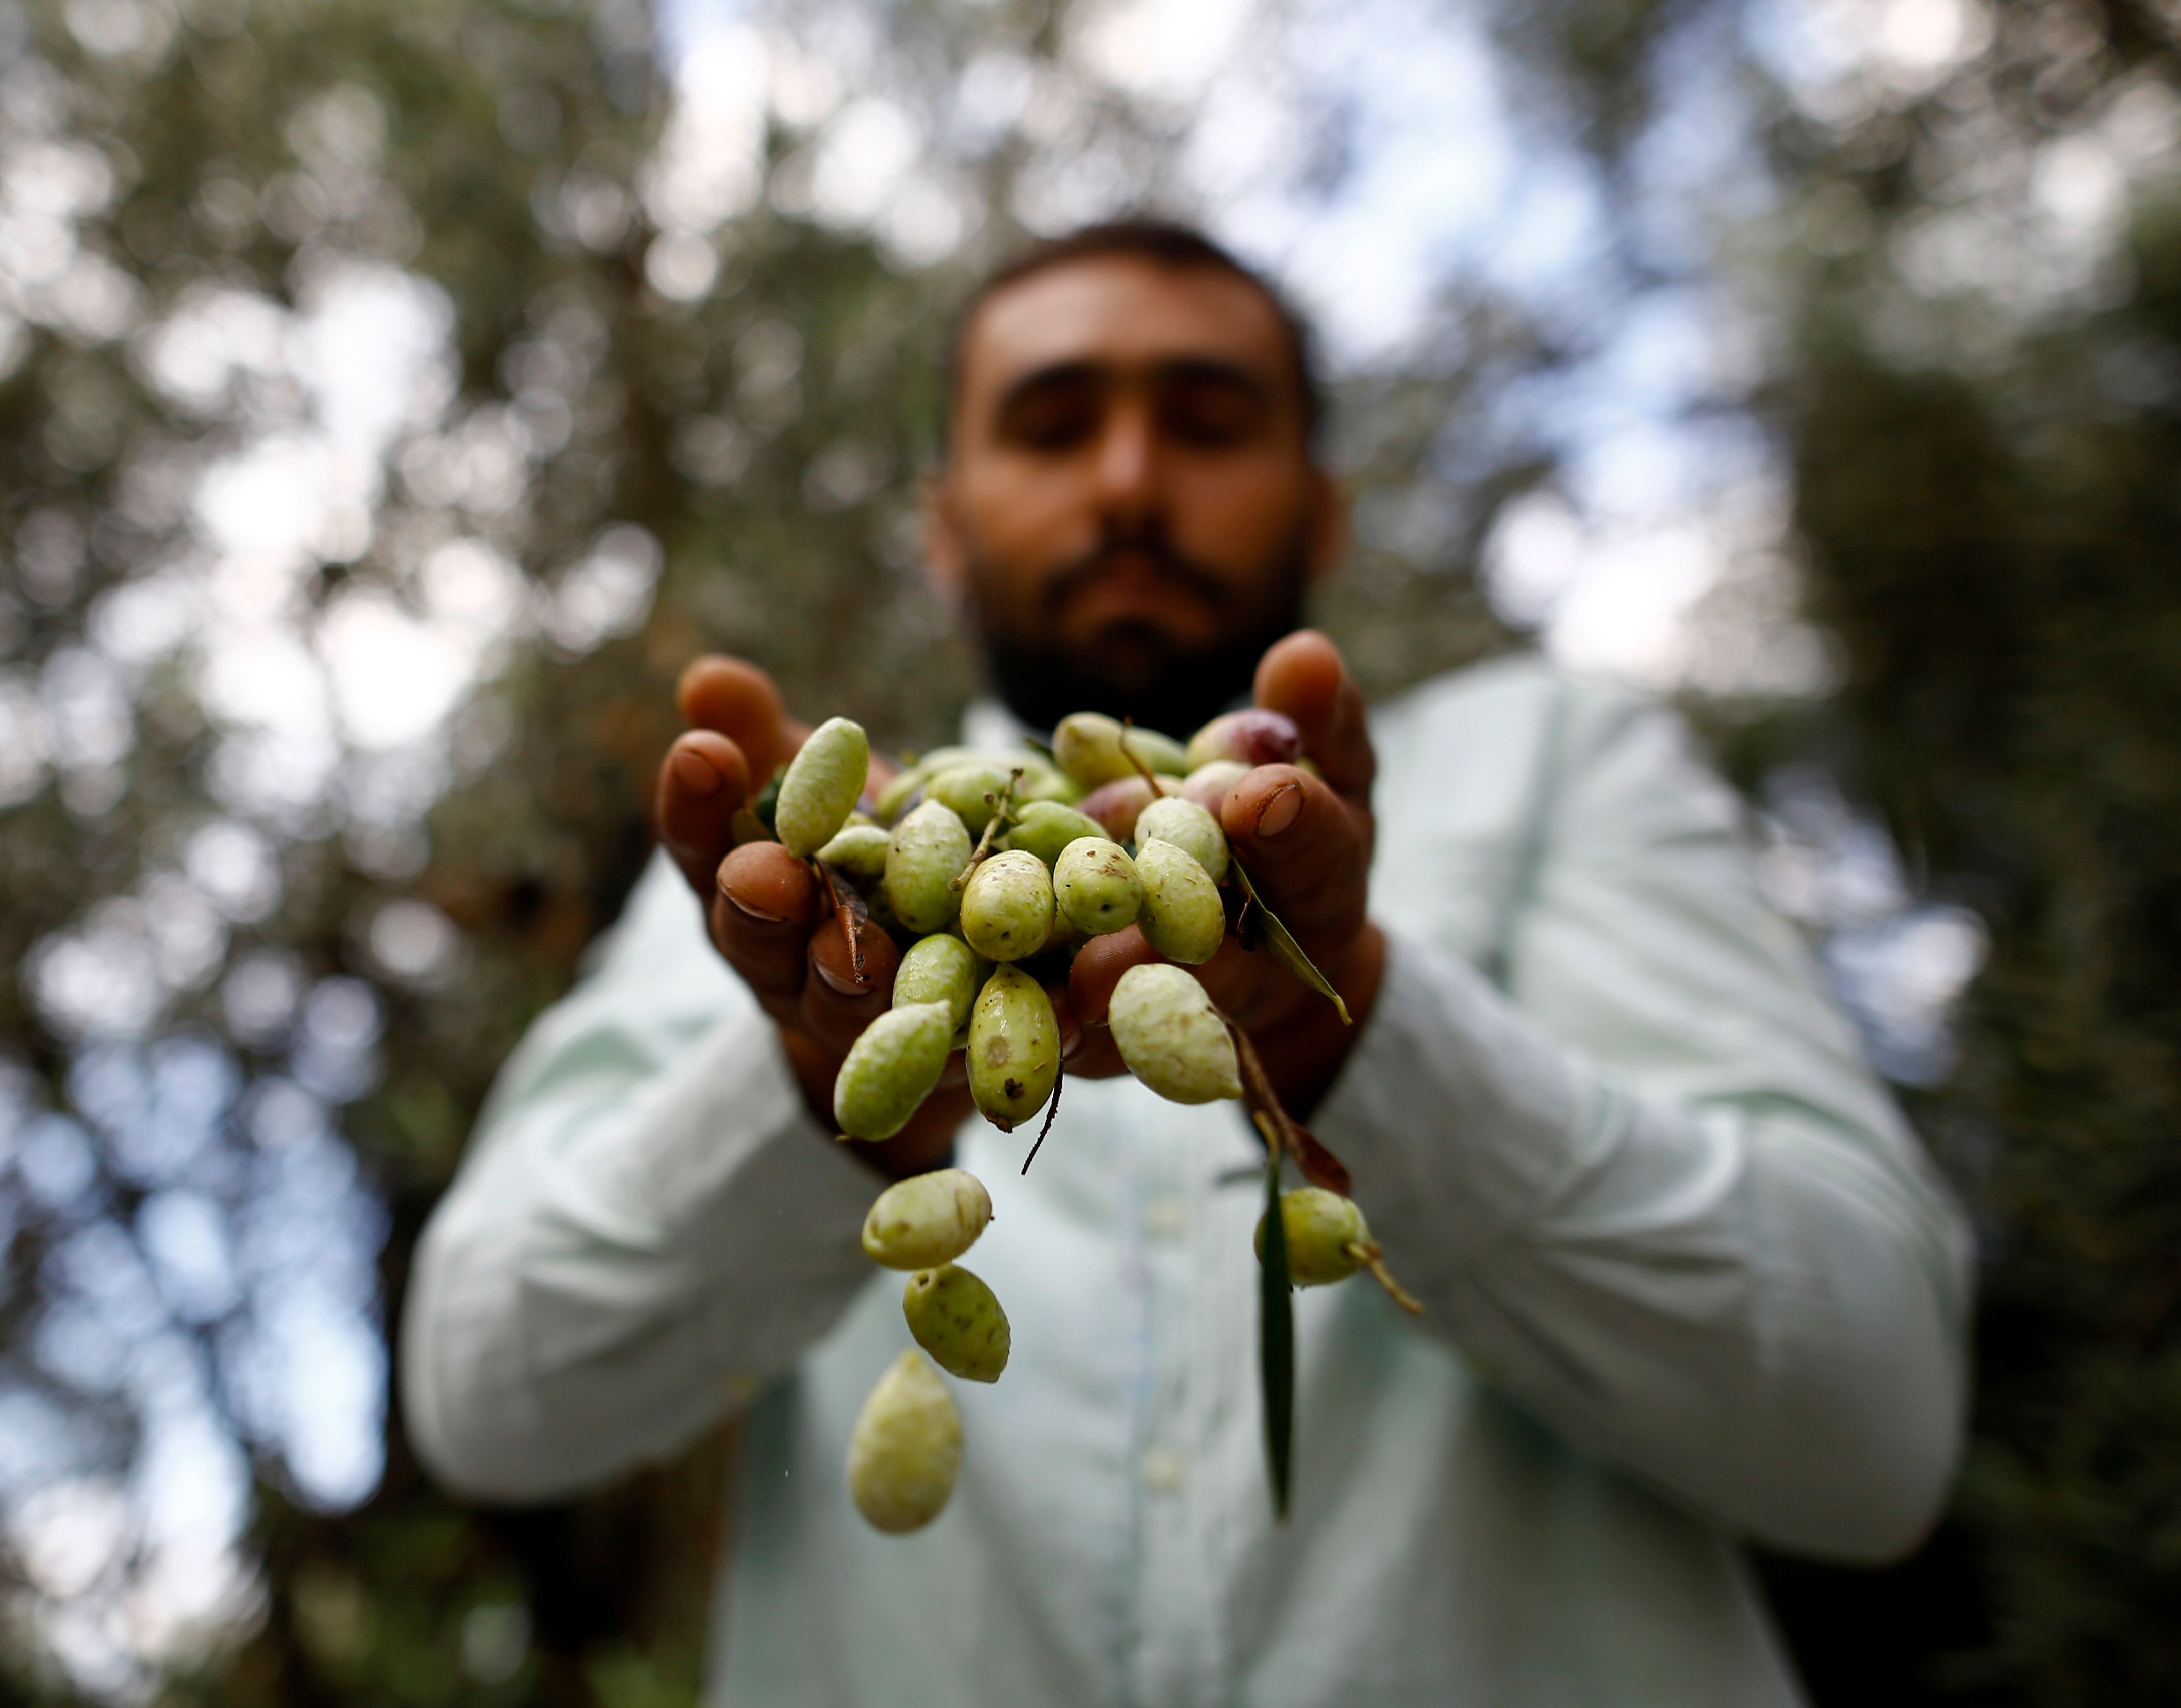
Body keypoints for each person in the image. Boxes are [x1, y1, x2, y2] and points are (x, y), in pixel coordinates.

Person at [399, 219, 1971, 1706]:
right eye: (1051, 427)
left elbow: (1879, 1426)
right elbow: (486, 1396)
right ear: (944, 527)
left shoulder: (1553, 763)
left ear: (1322, 510)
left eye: (1209, 425)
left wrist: (1353, 1032)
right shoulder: (818, 879)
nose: (1130, 482)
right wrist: (813, 1096)